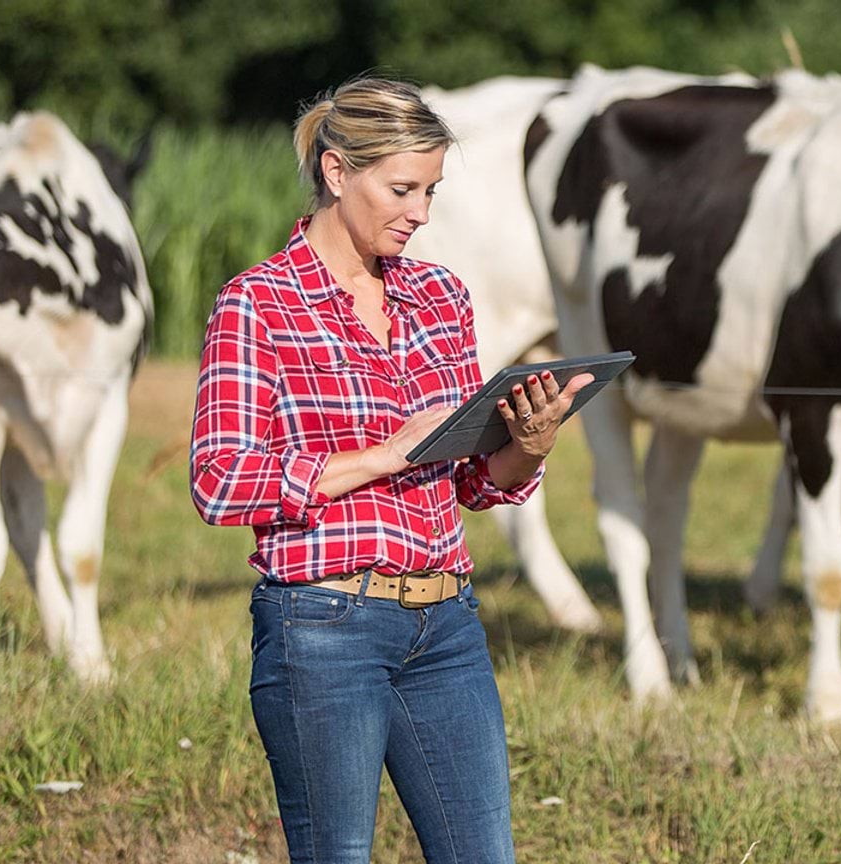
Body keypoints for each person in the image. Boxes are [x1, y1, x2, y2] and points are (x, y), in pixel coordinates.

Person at [188, 76, 587, 863]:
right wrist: (382, 455)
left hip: (448, 627)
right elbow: (219, 479)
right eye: (402, 188)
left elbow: (472, 482)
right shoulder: (257, 305)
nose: (421, 213)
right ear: (337, 173)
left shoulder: (441, 297)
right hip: (323, 629)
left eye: (431, 191)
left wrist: (529, 446)